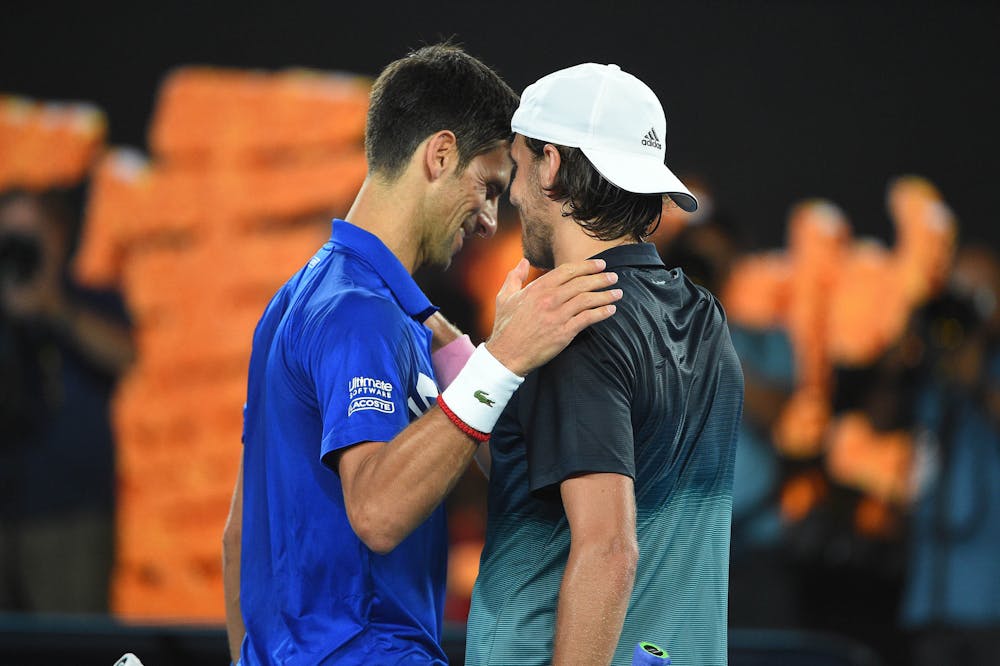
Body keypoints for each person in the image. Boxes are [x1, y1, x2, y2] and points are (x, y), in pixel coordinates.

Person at [222, 45, 624, 665]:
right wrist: (503, 359)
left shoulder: (300, 298)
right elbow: (379, 512)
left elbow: (238, 534)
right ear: (439, 156)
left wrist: (467, 354)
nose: (491, 219)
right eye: (488, 186)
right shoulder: (361, 314)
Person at [465, 63, 744, 665]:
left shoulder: (577, 326)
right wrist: (491, 358)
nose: (511, 193)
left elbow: (610, 550)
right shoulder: (707, 317)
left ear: (553, 166)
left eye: (518, 166)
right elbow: (534, 470)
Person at [0, 188, 135, 613]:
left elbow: (124, 354)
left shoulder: (88, 298)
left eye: (29, 238)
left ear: (57, 238)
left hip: (71, 516)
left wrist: (53, 308)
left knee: (70, 641)